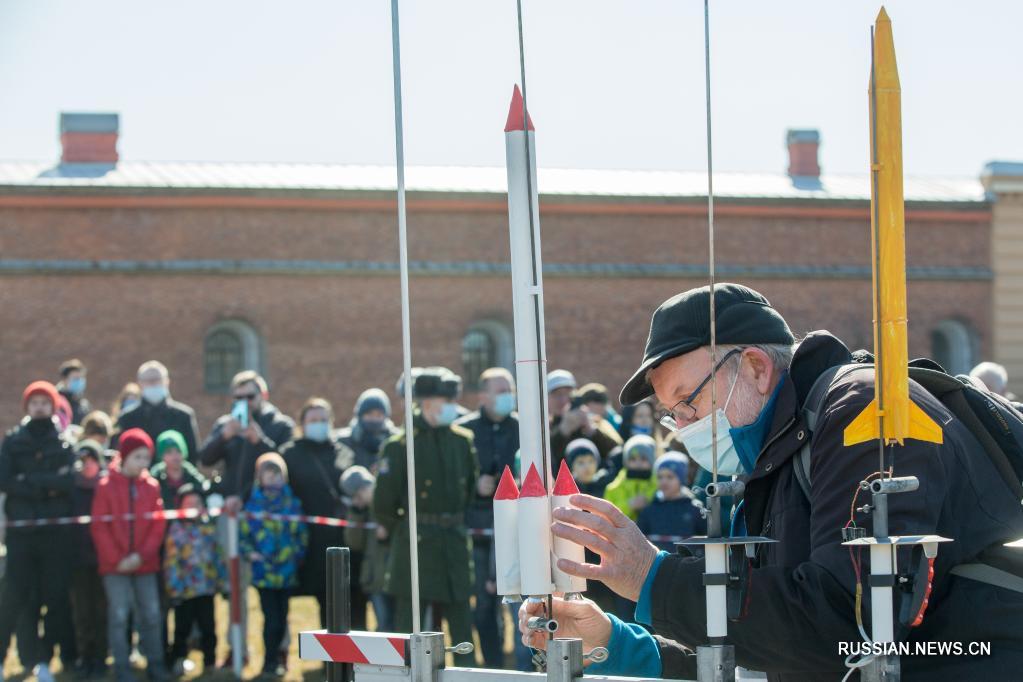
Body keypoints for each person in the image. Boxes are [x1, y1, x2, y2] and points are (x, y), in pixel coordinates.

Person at [521, 283, 1023, 680]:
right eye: (673, 416)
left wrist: (654, 577)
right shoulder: (778, 451)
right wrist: (616, 641)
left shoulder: (863, 412)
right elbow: (765, 639)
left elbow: (844, 623)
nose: (686, 428)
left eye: (688, 402)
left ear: (757, 368)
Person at [373, 367, 477, 667]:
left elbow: (468, 490)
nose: (451, 406)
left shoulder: (462, 441)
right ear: (427, 403)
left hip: (454, 541)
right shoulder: (400, 445)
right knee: (410, 620)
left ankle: (467, 673)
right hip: (416, 543)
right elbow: (382, 504)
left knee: (461, 619)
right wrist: (409, 529)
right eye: (445, 400)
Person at [0, 381, 78, 682]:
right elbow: (5, 480)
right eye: (35, 402)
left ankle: (45, 660)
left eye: (46, 402)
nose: (40, 407)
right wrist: (47, 484)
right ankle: (8, 655)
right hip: (22, 534)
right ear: (27, 407)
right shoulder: (13, 441)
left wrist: (29, 481)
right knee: (14, 598)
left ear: (54, 406)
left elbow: (68, 482)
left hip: (55, 535)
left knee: (55, 599)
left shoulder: (64, 443)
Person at [90, 428, 168, 682]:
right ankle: (122, 668)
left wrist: (142, 556)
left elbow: (157, 525)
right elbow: (100, 527)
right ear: (124, 456)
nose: (143, 463)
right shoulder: (105, 486)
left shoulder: (152, 486)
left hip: (145, 564)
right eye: (138, 457)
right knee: (119, 615)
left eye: (147, 458)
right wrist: (117, 559)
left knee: (152, 615)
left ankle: (156, 665)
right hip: (115, 567)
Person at [454, 367, 519, 668]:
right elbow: (451, 481)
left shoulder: (522, 428)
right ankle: (492, 663)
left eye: (510, 389)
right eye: (501, 390)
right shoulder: (464, 431)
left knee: (517, 598)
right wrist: (475, 485)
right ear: (483, 395)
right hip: (478, 529)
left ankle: (522, 660)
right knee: (482, 602)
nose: (508, 396)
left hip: (515, 528)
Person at [280, 398, 356, 626]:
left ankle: (334, 656)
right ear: (302, 423)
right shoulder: (289, 454)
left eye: (323, 419)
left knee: (334, 600)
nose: (319, 424)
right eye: (313, 420)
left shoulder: (344, 453)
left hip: (338, 540)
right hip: (302, 540)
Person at [240, 453, 308, 678]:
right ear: (260, 477)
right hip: (264, 575)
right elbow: (244, 536)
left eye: (277, 475)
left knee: (283, 617)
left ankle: (283, 658)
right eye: (268, 475)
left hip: (286, 573)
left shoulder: (292, 503)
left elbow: (301, 535)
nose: (273, 480)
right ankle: (269, 661)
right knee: (271, 620)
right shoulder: (253, 504)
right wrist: (252, 555)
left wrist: (295, 556)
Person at [199, 370, 294, 503]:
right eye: (239, 398)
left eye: (250, 397)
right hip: (230, 504)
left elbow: (287, 465)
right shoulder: (225, 424)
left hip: (265, 505)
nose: (244, 402)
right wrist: (223, 437)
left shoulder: (281, 425)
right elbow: (204, 460)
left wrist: (259, 441)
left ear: (264, 395)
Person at [163, 484, 223, 675]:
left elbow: (216, 557)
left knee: (208, 627)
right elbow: (171, 563)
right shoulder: (176, 531)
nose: (193, 507)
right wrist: (174, 588)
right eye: (188, 504)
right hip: (185, 591)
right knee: (182, 628)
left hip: (206, 589)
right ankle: (179, 659)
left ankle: (210, 662)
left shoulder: (208, 530)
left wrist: (221, 582)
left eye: (197, 503)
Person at [69, 439, 109, 679]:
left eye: (91, 460)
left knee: (101, 611)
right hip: (78, 561)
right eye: (82, 461)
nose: (87, 465)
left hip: (103, 560)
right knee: (82, 613)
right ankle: (85, 656)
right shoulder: (71, 488)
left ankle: (101, 657)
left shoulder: (105, 487)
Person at [340, 466, 393, 631]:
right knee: (384, 626)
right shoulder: (362, 511)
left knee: (395, 627)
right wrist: (356, 512)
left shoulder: (388, 501)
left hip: (392, 575)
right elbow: (354, 543)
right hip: (374, 576)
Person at [116, 361, 199, 462]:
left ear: (167, 381)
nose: (153, 384)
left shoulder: (183, 416)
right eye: (148, 380)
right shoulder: (127, 417)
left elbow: (193, 456)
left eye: (157, 380)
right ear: (139, 383)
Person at [547, 370, 622, 471]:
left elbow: (617, 453)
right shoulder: (544, 427)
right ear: (546, 398)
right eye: (557, 395)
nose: (563, 400)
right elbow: (547, 458)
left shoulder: (595, 421)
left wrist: (591, 429)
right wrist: (562, 431)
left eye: (568, 394)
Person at [637, 452, 705, 552]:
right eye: (660, 477)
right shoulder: (649, 510)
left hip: (688, 565)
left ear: (681, 479)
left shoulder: (695, 509)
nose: (664, 481)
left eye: (670, 477)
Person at [335, 388, 400, 472]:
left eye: (379, 415)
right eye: (369, 414)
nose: (374, 419)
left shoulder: (395, 440)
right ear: (360, 415)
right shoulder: (346, 441)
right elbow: (340, 471)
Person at [602, 435, 658, 522]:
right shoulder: (613, 488)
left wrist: (648, 501)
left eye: (643, 459)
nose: (638, 463)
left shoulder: (660, 485)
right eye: (633, 459)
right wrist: (630, 505)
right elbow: (607, 516)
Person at [149, 430, 207, 510]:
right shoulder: (155, 479)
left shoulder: (194, 478)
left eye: (178, 451)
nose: (174, 456)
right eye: (169, 452)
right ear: (161, 456)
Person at [57, 359, 92, 425]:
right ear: (64, 380)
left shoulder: (84, 404)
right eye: (76, 378)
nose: (79, 382)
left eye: (81, 378)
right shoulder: (56, 402)